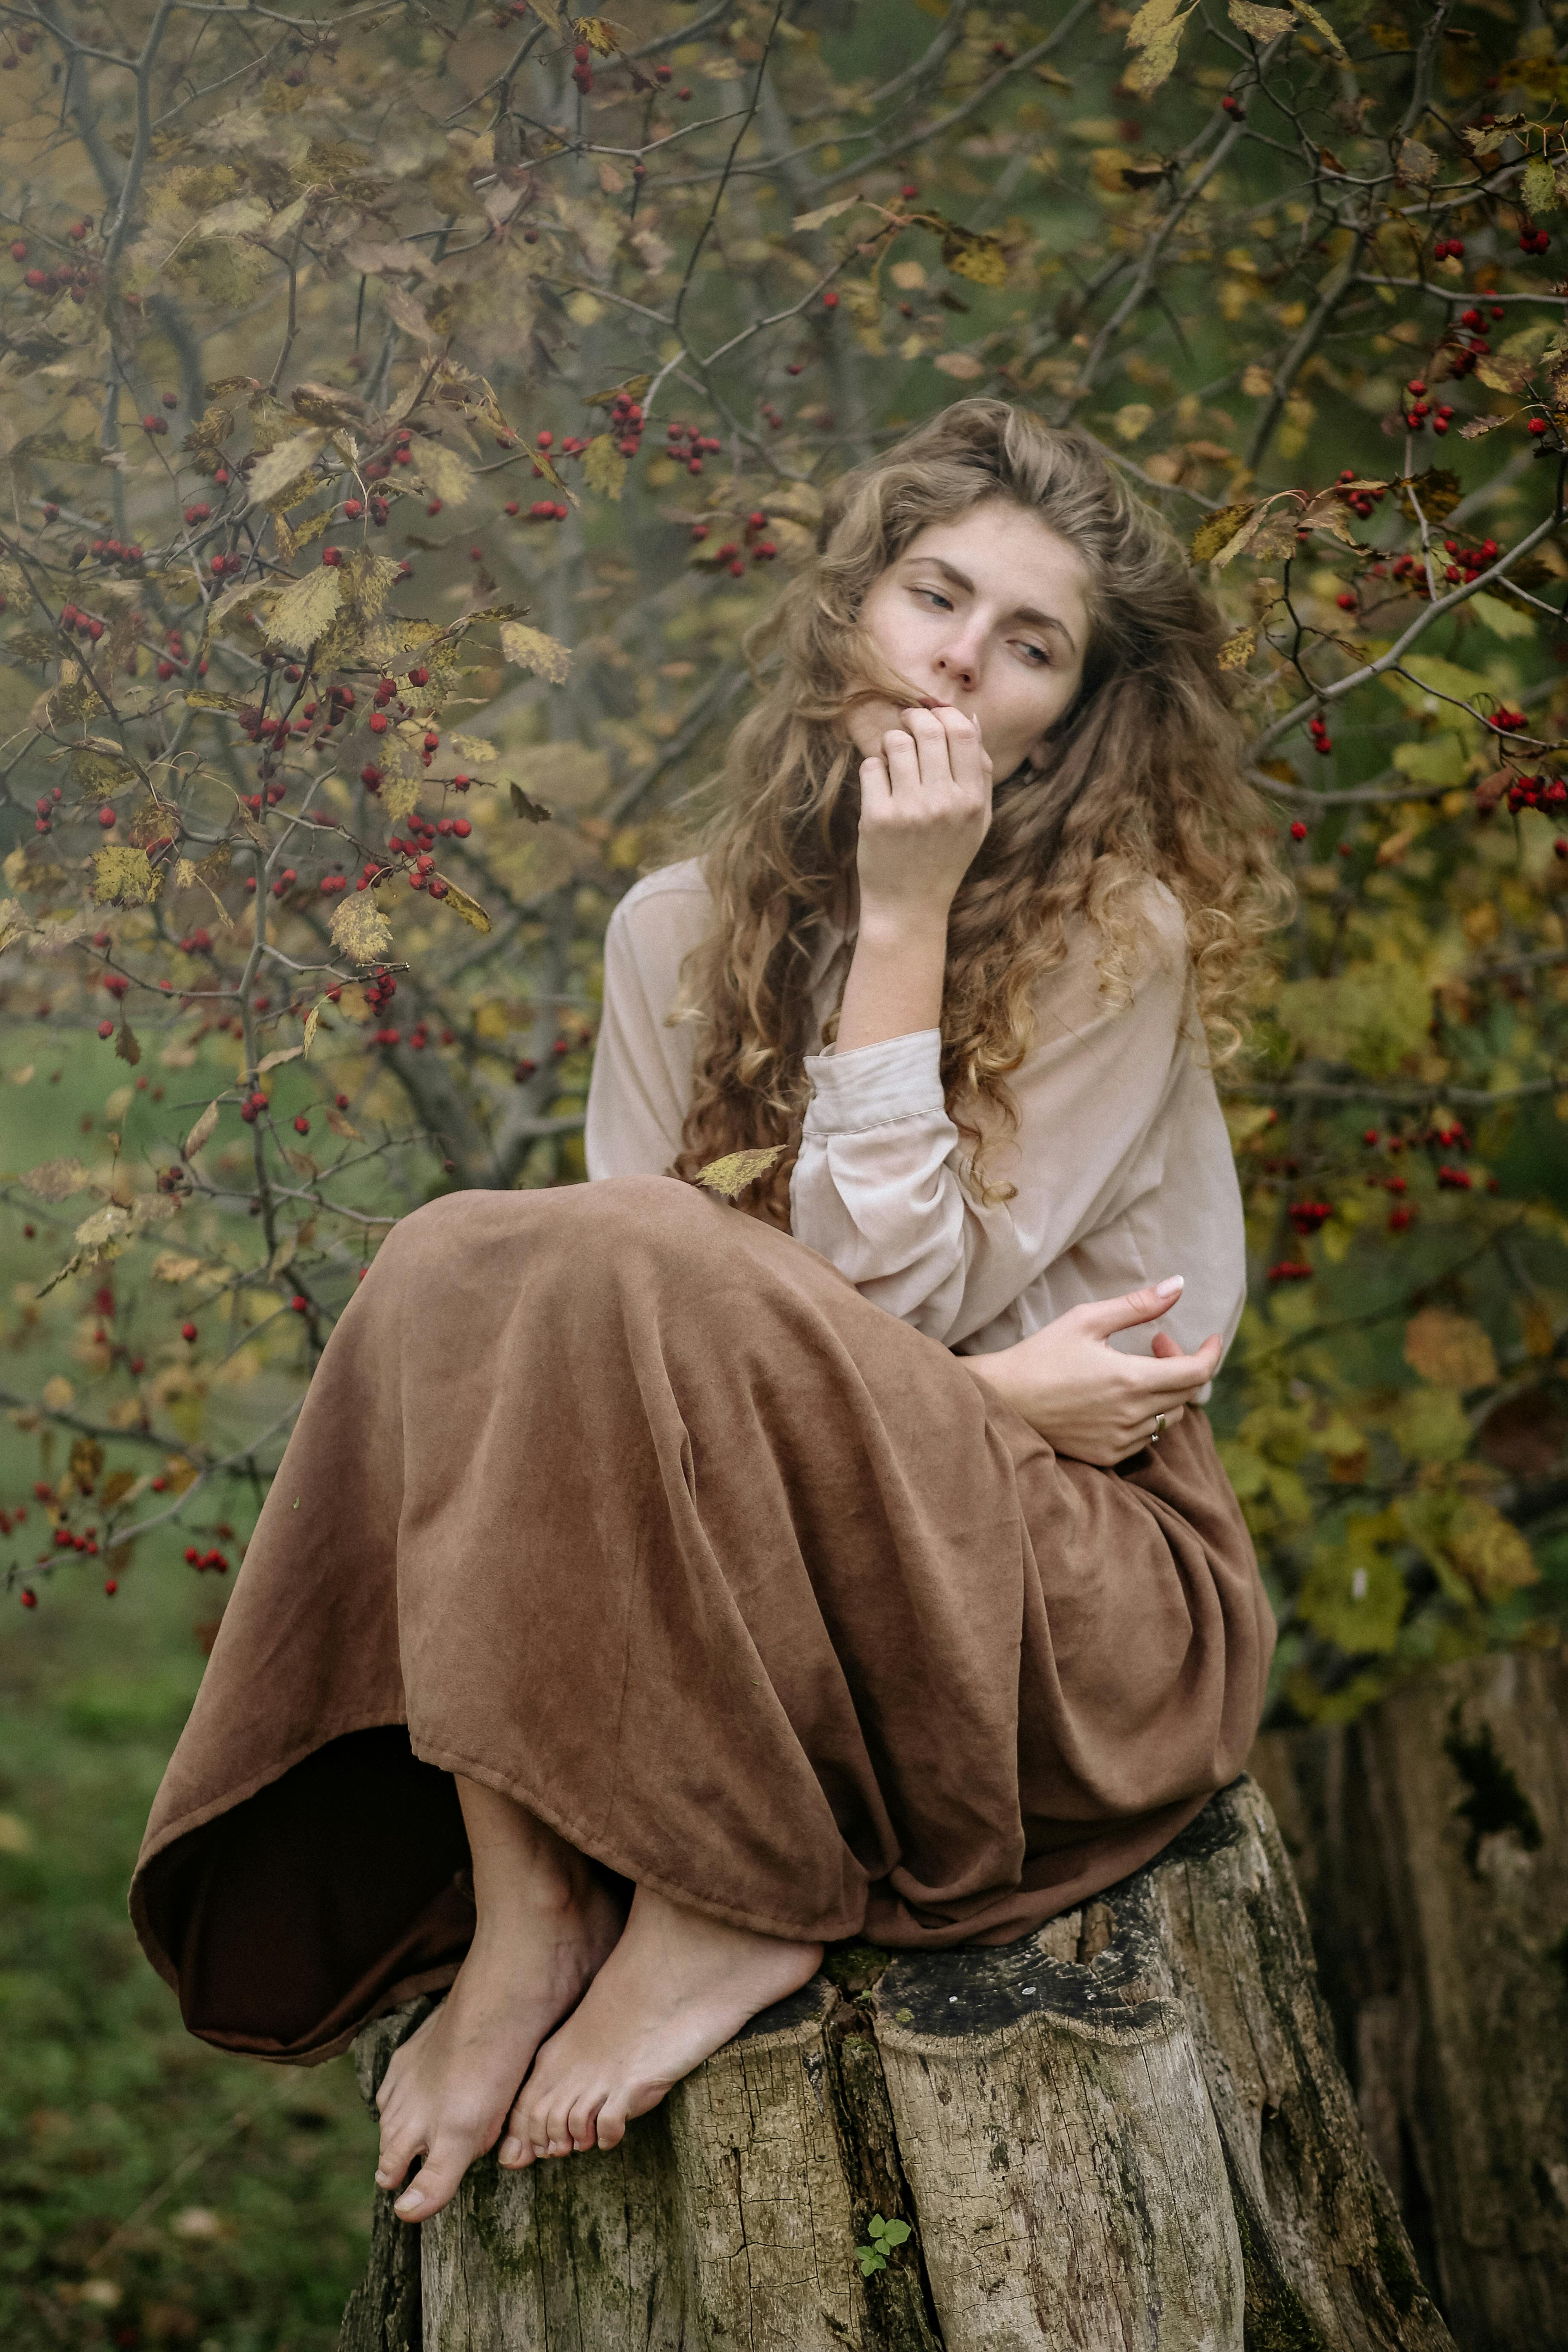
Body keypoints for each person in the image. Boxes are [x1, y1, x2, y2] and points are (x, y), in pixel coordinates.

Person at [129, 396, 1285, 2230]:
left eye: (1032, 645)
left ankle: (732, 1897)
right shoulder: (675, 931)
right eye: (935, 594)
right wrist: (987, 1395)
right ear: (854, 610)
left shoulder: (1108, 937)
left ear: (1070, 715)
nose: (962, 658)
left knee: (613, 1255)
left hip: (1069, 1593)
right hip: (869, 1509)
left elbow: (846, 1306)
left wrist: (907, 920)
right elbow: (622, 1358)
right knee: (460, 1257)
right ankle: (532, 1912)